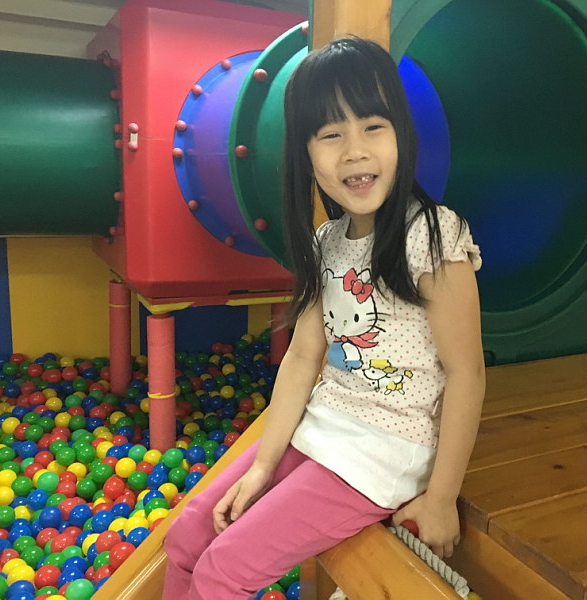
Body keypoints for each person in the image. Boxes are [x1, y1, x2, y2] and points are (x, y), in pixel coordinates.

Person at [163, 37, 485, 600]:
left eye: (373, 127)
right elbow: (301, 358)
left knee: (223, 572)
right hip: (324, 427)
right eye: (330, 135)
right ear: (306, 154)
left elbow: (467, 374)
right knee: (189, 533)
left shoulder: (432, 234)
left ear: (402, 134)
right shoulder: (327, 242)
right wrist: (261, 466)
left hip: (384, 449)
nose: (354, 151)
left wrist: (440, 496)